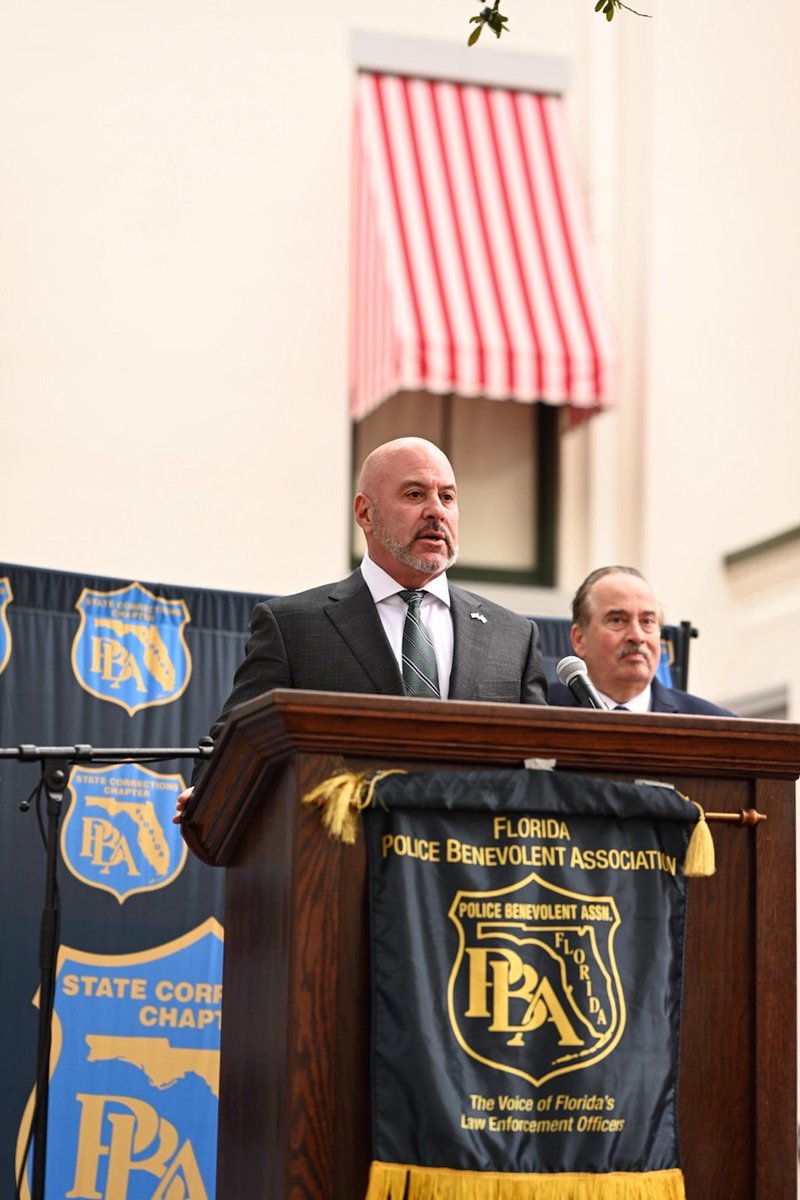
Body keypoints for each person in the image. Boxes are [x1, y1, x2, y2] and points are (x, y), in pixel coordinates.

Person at [175, 437, 548, 819]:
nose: (436, 511)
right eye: (416, 494)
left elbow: (546, 770)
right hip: (343, 861)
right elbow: (229, 751)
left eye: (448, 498)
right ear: (366, 513)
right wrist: (212, 792)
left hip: (476, 869)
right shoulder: (293, 626)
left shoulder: (512, 637)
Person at [547, 565, 734, 715]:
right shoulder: (537, 710)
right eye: (617, 620)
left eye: (647, 621)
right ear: (579, 639)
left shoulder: (712, 725)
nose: (637, 636)